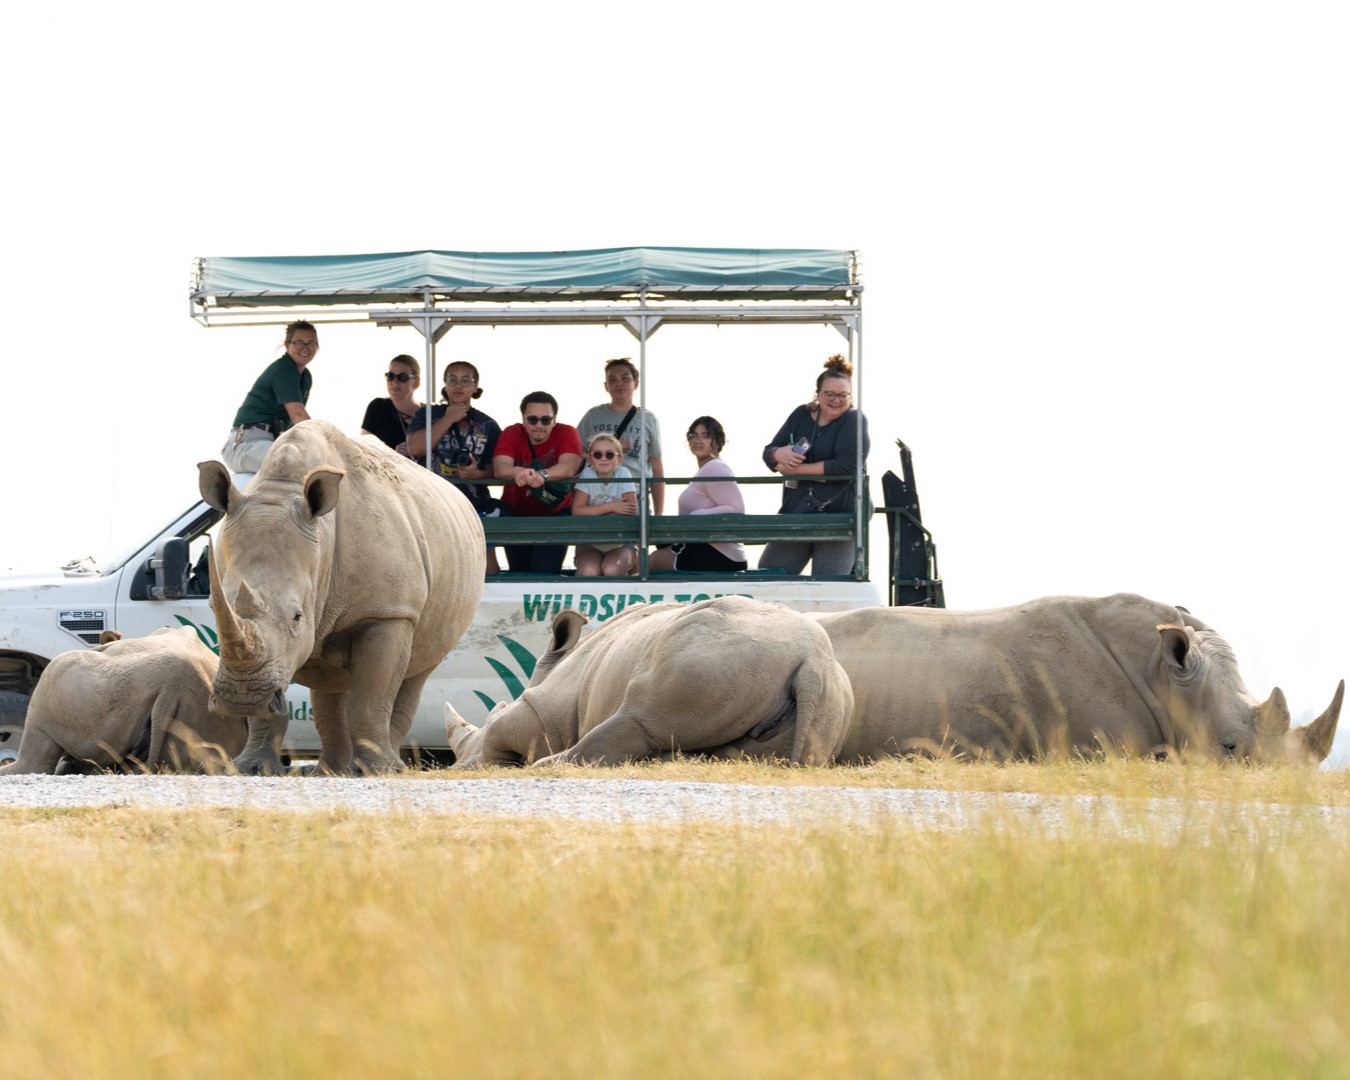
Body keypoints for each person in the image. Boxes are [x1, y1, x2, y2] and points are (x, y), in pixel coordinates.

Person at [758, 355, 870, 576]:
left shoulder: (854, 420)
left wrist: (796, 470)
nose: (836, 400)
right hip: (797, 511)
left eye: (842, 395)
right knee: (768, 575)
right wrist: (778, 454)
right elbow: (768, 451)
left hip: (837, 517)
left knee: (828, 582)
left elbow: (847, 467)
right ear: (818, 393)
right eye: (829, 394)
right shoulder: (801, 414)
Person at [407, 361, 504, 575]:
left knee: (487, 567)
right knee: (439, 567)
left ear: (475, 386)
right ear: (445, 384)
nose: (458, 385)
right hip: (431, 502)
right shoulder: (427, 414)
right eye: (452, 379)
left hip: (473, 504)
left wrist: (476, 474)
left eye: (465, 380)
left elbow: (496, 470)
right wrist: (449, 417)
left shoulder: (488, 425)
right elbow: (415, 448)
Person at [493, 391, 583, 574]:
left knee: (545, 573)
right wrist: (519, 472)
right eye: (533, 419)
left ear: (555, 420)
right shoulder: (512, 432)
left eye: (546, 420)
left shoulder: (567, 432)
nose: (539, 425)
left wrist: (541, 475)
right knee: (519, 572)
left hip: (556, 514)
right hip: (516, 514)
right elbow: (500, 468)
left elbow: (569, 467)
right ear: (524, 420)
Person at [649, 416, 748, 573]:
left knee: (647, 563)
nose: (698, 440)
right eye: (693, 435)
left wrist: (697, 515)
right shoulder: (705, 469)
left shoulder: (715, 468)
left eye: (705, 435)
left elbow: (736, 510)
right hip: (701, 546)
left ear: (718, 441)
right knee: (648, 560)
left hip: (720, 554)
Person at [221, 320, 318, 474]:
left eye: (311, 343)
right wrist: (325, 440)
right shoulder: (283, 369)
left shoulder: (305, 376)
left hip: (271, 442)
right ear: (287, 345)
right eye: (299, 343)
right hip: (247, 445)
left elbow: (295, 425)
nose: (305, 348)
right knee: (300, 466)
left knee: (314, 464)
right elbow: (298, 415)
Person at [576, 357, 665, 514]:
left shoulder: (648, 419)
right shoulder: (593, 415)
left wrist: (659, 514)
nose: (619, 384)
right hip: (596, 493)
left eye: (625, 378)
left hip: (635, 492)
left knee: (633, 539)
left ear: (635, 383)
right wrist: (605, 454)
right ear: (606, 386)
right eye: (612, 380)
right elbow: (576, 454)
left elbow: (656, 467)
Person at [571, 432, 639, 577]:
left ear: (619, 459)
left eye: (609, 454)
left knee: (611, 570)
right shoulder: (588, 474)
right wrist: (612, 507)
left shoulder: (623, 473)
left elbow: (631, 510)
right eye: (597, 454)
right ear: (590, 458)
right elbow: (577, 510)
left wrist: (593, 512)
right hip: (590, 543)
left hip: (621, 543)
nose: (603, 458)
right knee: (589, 571)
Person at [360, 354, 422, 456]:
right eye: (390, 376)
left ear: (416, 382)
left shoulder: (428, 413)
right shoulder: (378, 407)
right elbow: (365, 450)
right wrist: (393, 455)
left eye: (402, 377)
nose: (394, 381)